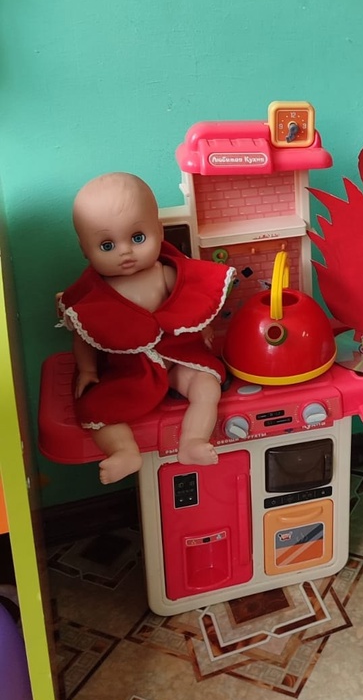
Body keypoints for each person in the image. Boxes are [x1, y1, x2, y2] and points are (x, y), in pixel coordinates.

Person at [59, 172, 235, 485]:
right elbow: (84, 336)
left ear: (159, 230)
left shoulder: (166, 273)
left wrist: (204, 328)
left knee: (207, 387)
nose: (125, 252)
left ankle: (192, 441)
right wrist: (87, 370)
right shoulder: (94, 296)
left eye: (138, 238)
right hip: (130, 371)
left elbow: (192, 300)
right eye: (107, 245)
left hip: (177, 359)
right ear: (85, 249)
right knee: (97, 411)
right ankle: (124, 451)